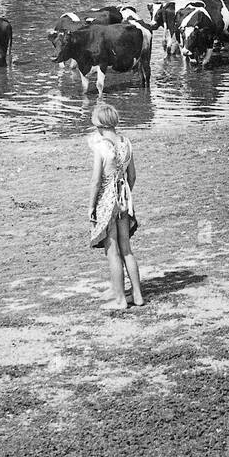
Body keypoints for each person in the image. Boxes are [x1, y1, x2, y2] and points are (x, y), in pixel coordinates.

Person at [87, 104, 143, 310]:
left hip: (107, 201)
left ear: (99, 124)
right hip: (124, 199)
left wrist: (91, 207)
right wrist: (126, 195)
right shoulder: (126, 142)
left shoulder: (100, 146)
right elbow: (132, 176)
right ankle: (136, 295)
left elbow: (95, 180)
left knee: (112, 252)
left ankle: (120, 299)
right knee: (126, 249)